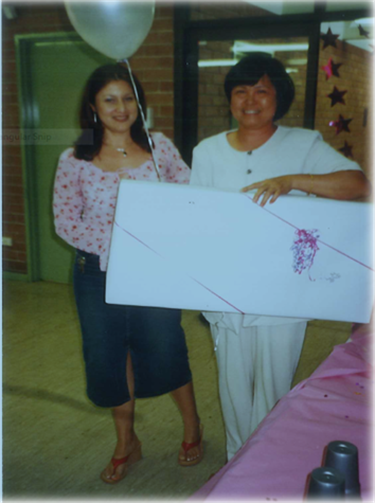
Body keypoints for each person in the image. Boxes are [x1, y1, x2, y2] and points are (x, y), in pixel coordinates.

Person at [190, 53, 371, 461]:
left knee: (272, 388)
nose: (250, 100)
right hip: (227, 291)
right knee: (232, 387)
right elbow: (197, 219)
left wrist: (291, 181)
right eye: (240, 91)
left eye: (261, 90)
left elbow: (358, 183)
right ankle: (237, 465)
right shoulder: (207, 152)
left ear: (278, 98)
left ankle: (265, 459)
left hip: (284, 295)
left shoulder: (303, 144)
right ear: (230, 99)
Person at [53, 63, 203, 484]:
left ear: (139, 103)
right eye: (110, 99)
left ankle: (192, 427)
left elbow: (190, 197)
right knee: (108, 358)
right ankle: (126, 442)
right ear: (93, 107)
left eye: (129, 98)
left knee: (166, 345)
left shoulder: (160, 149)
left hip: (153, 270)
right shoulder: (75, 159)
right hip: (96, 273)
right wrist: (119, 238)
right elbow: (65, 222)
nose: (121, 107)